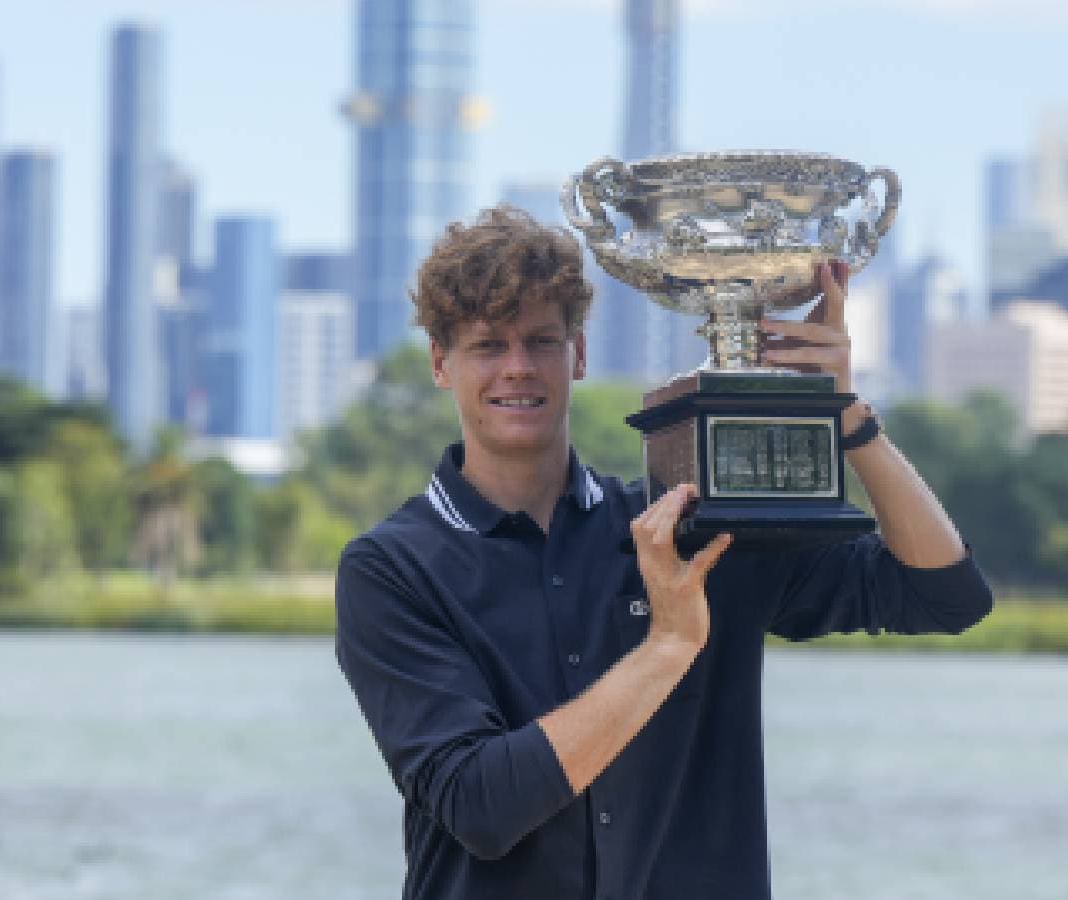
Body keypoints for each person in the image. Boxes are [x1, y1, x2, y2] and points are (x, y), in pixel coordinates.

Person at [334, 205, 993, 900]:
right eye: (487, 346)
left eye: (541, 341)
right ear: (442, 363)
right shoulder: (393, 569)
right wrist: (669, 644)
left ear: (579, 353)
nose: (518, 369)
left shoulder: (688, 532)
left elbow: (945, 595)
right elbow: (482, 806)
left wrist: (848, 417)